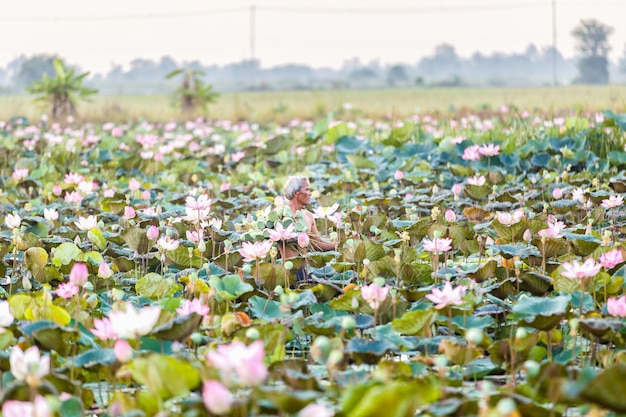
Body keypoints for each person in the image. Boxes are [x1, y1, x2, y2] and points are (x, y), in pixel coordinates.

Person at [281, 176, 338, 280]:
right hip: (288, 273)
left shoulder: (308, 216)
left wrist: (338, 244)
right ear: (295, 193)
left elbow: (318, 244)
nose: (310, 193)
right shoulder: (281, 216)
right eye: (307, 189)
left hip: (306, 270)